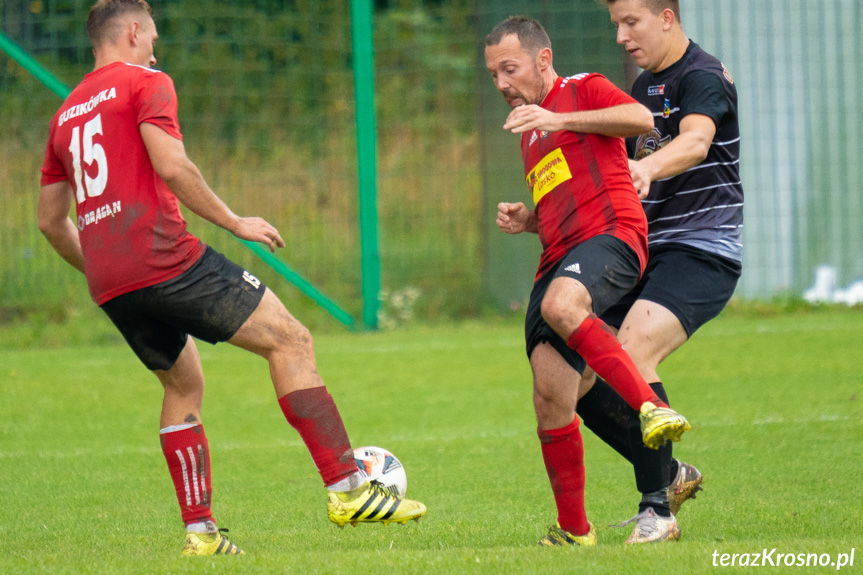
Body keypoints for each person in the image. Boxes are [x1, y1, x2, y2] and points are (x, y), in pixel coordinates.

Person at [37, 0, 425, 557]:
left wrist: (101, 266)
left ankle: (200, 534)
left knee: (182, 385)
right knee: (290, 340)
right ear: (130, 33)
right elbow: (173, 165)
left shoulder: (65, 114)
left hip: (113, 282)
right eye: (151, 36)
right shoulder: (146, 82)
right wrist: (235, 221)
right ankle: (347, 489)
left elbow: (50, 222)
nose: (155, 46)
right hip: (165, 257)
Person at [484, 15, 691, 547]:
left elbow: (640, 118)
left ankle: (650, 406)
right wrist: (528, 219)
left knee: (561, 303)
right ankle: (575, 532)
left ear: (543, 60)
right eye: (493, 75)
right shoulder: (530, 133)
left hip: (613, 236)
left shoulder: (581, 90)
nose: (502, 83)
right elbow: (564, 192)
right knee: (552, 395)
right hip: (558, 252)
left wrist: (558, 118)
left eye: (509, 69)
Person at [573, 0, 744, 544]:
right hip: (642, 249)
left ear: (667, 17)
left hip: (701, 248)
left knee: (632, 349)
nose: (622, 37)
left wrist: (647, 165)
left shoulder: (703, 75)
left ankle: (657, 514)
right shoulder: (642, 90)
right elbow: (611, 175)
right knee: (572, 376)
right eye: (616, 26)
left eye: (632, 23)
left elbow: (695, 141)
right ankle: (669, 475)